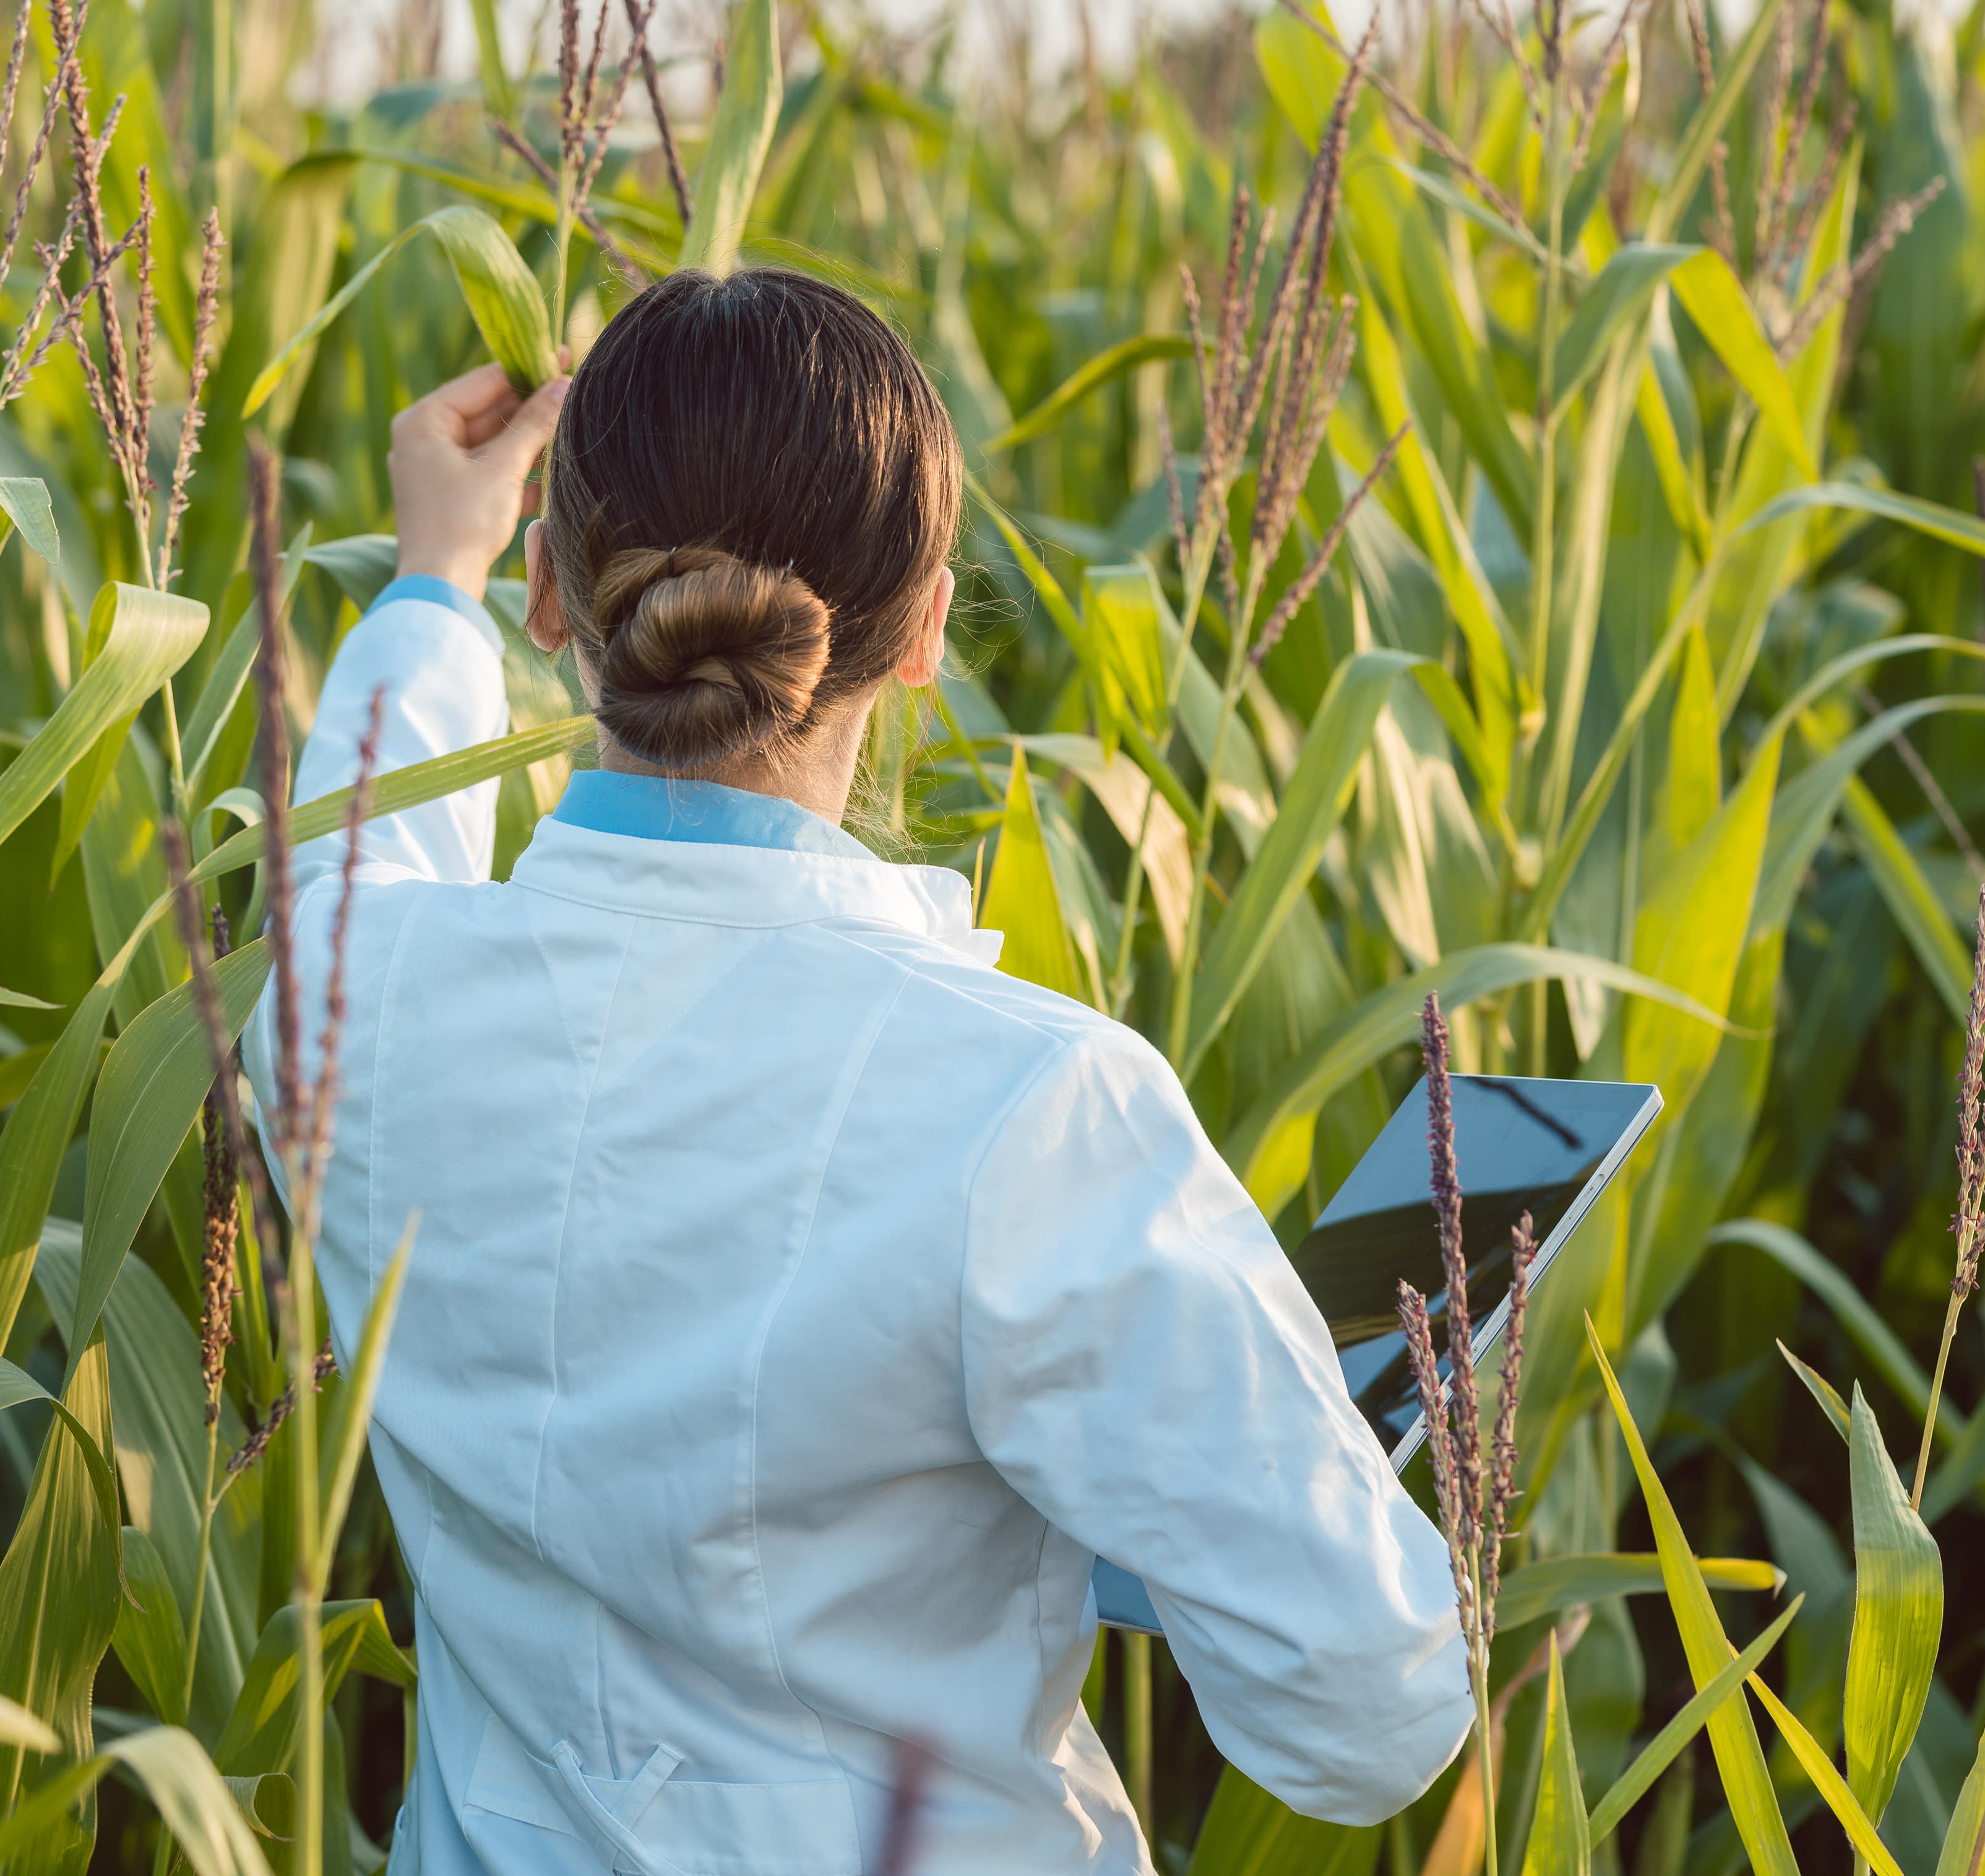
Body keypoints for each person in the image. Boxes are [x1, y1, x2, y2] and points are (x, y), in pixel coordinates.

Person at [248, 268, 1470, 1876]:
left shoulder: (343, 1019)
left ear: (554, 597)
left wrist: (430, 579)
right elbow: (1366, 1722)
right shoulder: (1034, 1112)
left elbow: (342, 859)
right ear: (926, 638)